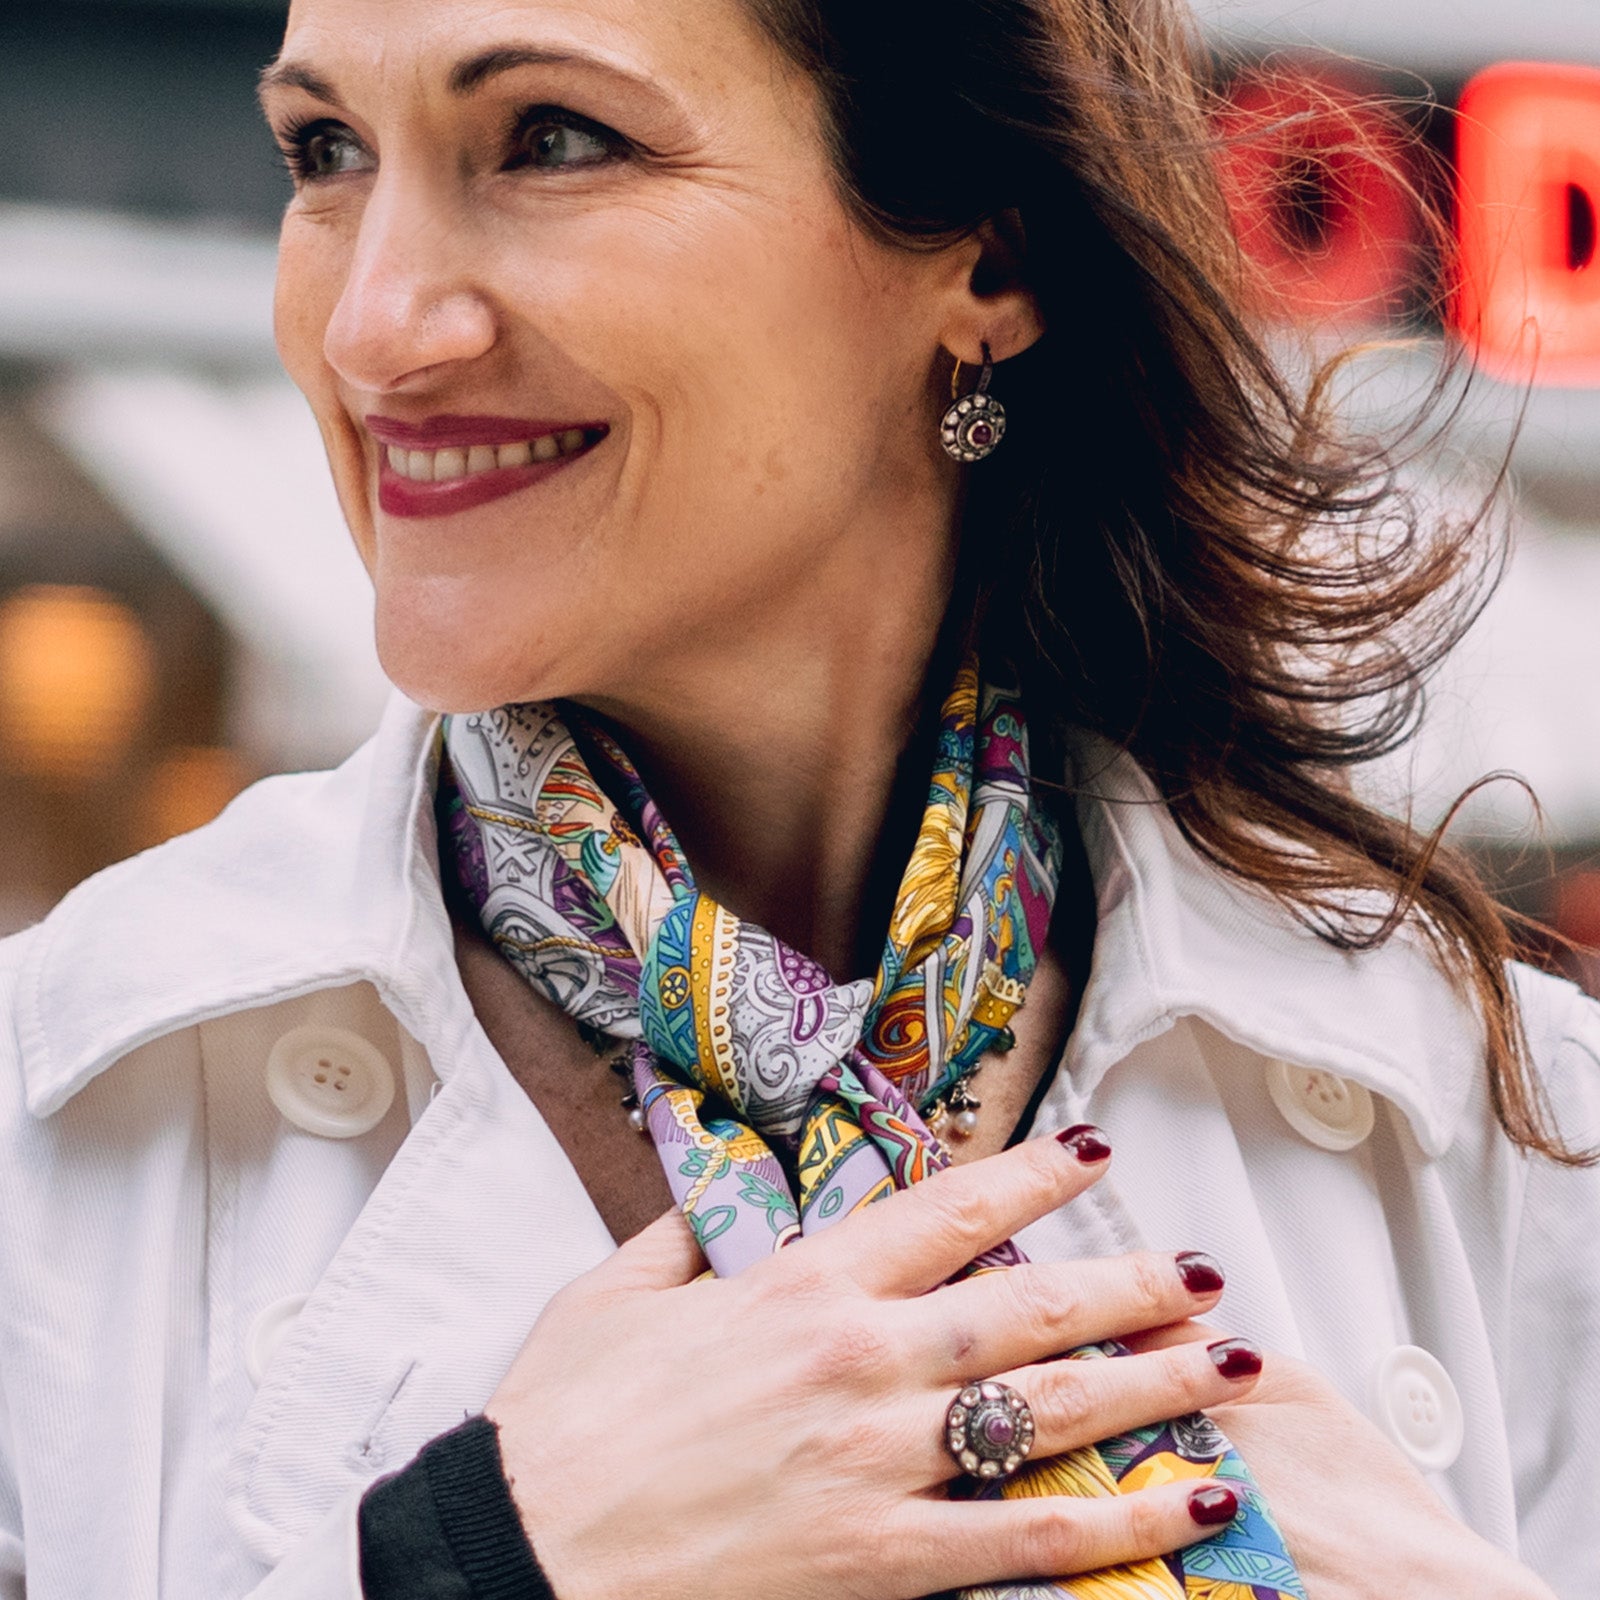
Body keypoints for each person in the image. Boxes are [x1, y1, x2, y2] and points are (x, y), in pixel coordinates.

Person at [0, 0, 1596, 1595]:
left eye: (553, 139)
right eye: (325, 151)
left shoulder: (1516, 1129)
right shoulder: (50, 1123)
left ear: (990, 261)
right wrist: (479, 1566)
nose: (373, 324)